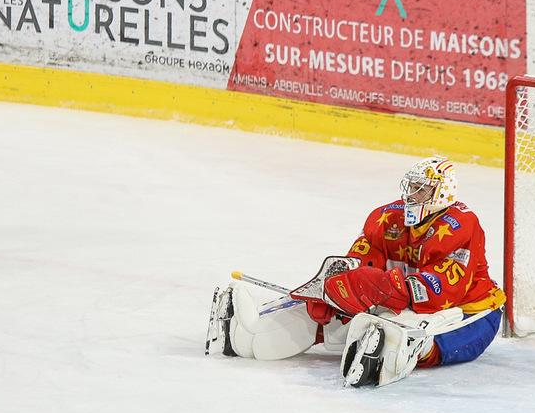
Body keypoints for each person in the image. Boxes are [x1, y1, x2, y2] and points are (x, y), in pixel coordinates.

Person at [206, 156, 506, 388]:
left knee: (406, 329)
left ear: (442, 194)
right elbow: (358, 264)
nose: (412, 193)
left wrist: (375, 286)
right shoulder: (387, 219)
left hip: (470, 314)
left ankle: (389, 355)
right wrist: (331, 292)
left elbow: (438, 294)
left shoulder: (461, 227)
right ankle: (246, 335)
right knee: (330, 306)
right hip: (403, 301)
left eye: (422, 189)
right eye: (411, 186)